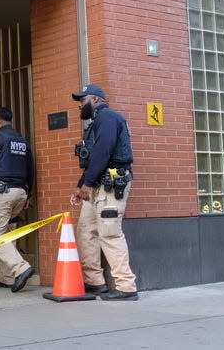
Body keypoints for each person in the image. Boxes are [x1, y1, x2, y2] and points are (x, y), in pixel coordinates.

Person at [69, 83, 138, 301]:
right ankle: (95, 283)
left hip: (110, 185)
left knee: (109, 232)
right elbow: (91, 160)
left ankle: (126, 287)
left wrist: (87, 183)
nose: (81, 106)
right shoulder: (95, 124)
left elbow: (103, 152)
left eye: (83, 100)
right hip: (96, 185)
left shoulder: (107, 118)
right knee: (86, 230)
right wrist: (81, 187)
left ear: (96, 100)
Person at [0, 107, 36, 293]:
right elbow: (31, 169)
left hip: (2, 193)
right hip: (20, 192)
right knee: (7, 231)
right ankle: (7, 278)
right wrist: (28, 194)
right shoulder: (22, 142)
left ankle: (21, 268)